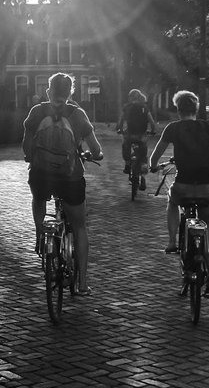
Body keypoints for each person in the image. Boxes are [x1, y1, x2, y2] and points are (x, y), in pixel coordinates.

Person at [23, 72, 103, 295]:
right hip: (70, 178)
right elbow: (95, 150)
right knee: (79, 226)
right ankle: (83, 283)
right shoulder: (78, 114)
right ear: (70, 93)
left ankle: (40, 233)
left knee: (38, 198)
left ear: (48, 91)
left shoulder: (36, 112)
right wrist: (97, 154)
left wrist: (32, 158)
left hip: (41, 175)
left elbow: (26, 146)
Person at [149, 89, 209, 298]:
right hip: (207, 188)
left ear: (178, 110)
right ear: (196, 109)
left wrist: (153, 166)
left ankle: (172, 242)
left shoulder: (173, 128)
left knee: (171, 199)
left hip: (183, 186)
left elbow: (155, 156)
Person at [116, 89, 157, 189]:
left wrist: (120, 129)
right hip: (141, 136)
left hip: (130, 135)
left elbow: (121, 120)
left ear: (130, 98)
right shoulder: (144, 107)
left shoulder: (126, 107)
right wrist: (153, 131)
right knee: (143, 157)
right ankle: (142, 178)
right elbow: (152, 122)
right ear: (140, 97)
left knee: (125, 145)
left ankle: (127, 164)